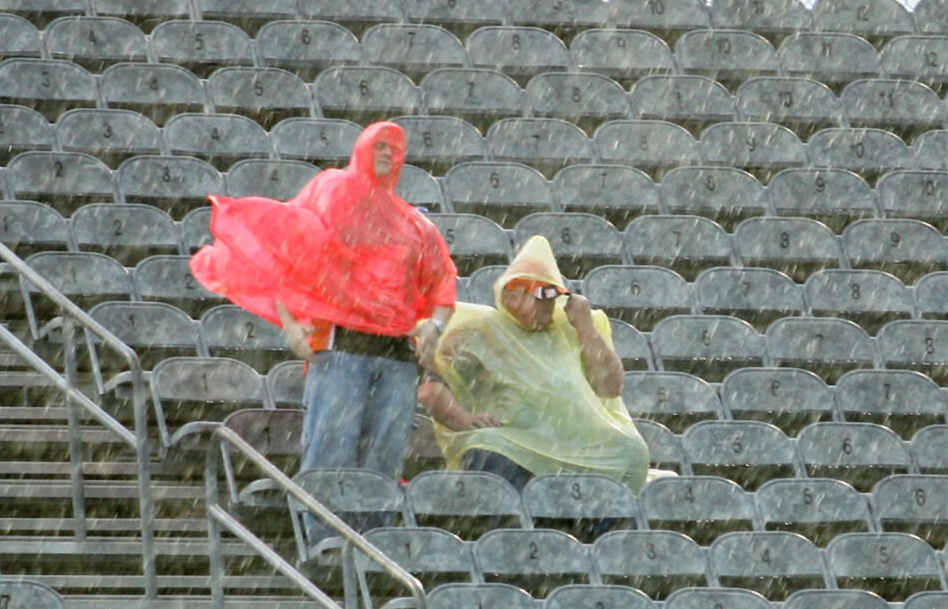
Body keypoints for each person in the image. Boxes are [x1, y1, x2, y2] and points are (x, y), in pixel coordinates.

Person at [190, 122, 457, 530]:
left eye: (395, 149)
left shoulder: (413, 225)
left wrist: (434, 326)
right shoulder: (331, 193)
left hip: (397, 359)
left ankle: (372, 550)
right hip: (341, 350)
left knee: (382, 464)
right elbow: (284, 252)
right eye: (380, 146)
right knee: (331, 455)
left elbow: (442, 284)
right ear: (362, 148)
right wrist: (291, 324)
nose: (388, 154)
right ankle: (321, 547)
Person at [419, 236, 649, 527]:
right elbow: (431, 391)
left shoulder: (571, 328)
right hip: (512, 439)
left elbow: (611, 386)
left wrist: (586, 327)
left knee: (631, 450)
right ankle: (517, 539)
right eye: (539, 295)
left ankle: (601, 547)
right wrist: (464, 419)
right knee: (487, 445)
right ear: (510, 292)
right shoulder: (479, 330)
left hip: (574, 441)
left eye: (552, 296)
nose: (546, 306)